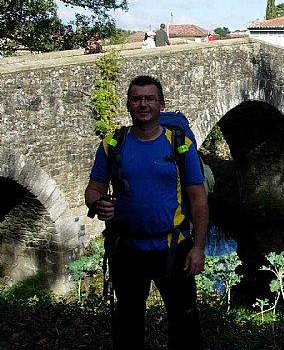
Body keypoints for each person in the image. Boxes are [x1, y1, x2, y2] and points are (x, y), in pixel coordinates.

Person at [85, 75, 208, 350]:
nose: (143, 104)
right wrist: (96, 204)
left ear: (161, 104)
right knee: (128, 324)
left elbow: (198, 198)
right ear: (128, 105)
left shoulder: (179, 145)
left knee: (185, 324)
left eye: (150, 98)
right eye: (137, 99)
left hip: (174, 249)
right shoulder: (112, 145)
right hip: (127, 250)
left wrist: (198, 247)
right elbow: (93, 190)